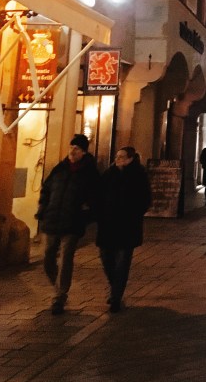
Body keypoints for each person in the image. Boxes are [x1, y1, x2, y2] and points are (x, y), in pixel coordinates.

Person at [36, 133, 101, 315]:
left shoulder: (90, 173)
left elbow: (96, 197)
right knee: (47, 257)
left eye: (77, 148)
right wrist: (42, 209)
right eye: (71, 147)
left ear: (83, 152)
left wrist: (86, 214)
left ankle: (59, 295)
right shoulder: (60, 168)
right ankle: (58, 287)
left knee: (65, 258)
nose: (72, 151)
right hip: (52, 219)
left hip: (72, 222)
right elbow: (46, 189)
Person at [95, 146, 152, 312]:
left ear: (130, 159)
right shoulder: (108, 174)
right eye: (117, 156)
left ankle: (116, 297)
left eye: (121, 157)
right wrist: (99, 213)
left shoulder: (138, 175)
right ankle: (115, 287)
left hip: (127, 226)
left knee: (122, 263)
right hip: (107, 225)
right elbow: (99, 195)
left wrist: (134, 214)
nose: (118, 159)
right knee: (106, 259)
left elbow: (145, 199)